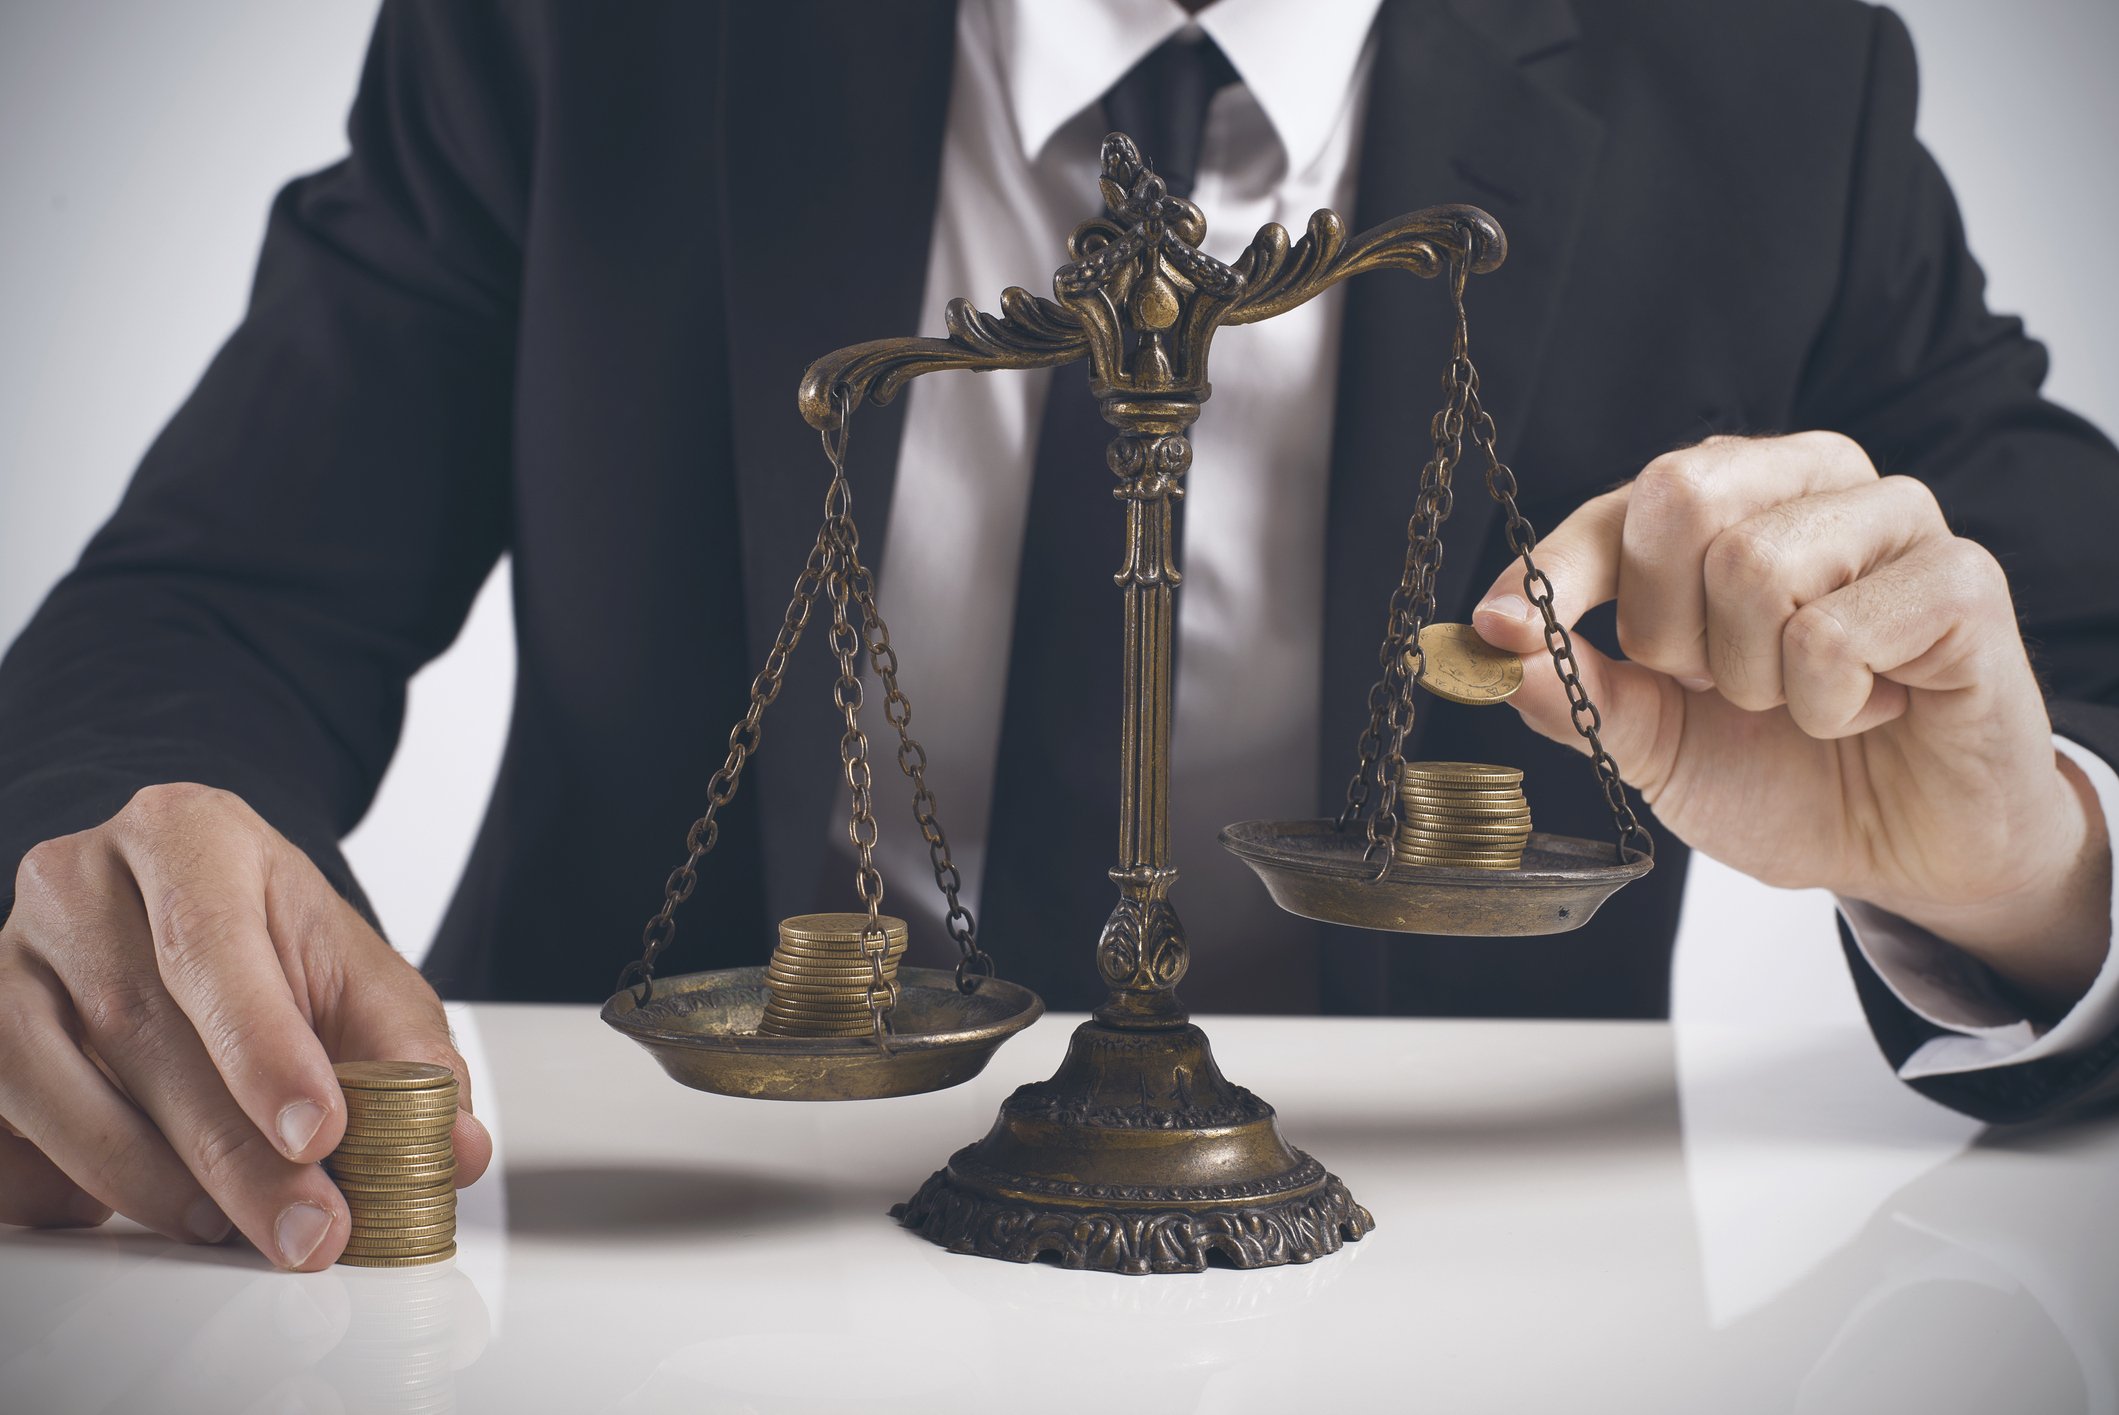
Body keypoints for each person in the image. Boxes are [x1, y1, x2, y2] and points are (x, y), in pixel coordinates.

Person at [0, 0, 2112, 1273]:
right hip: (635, 1281)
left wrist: (2031, 869)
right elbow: (210, 600)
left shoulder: (1756, 72)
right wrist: (132, 879)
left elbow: (2071, 650)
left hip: (1458, 1310)